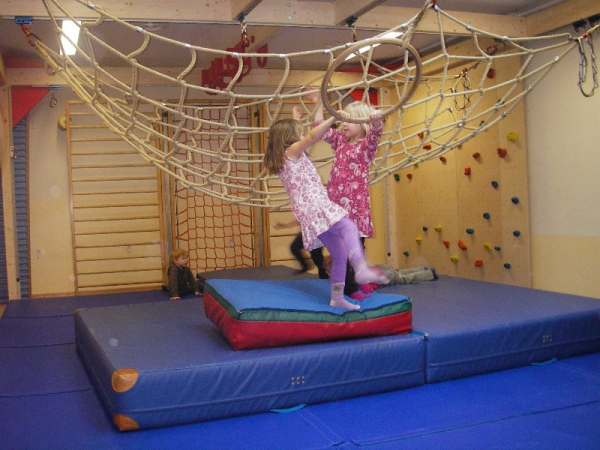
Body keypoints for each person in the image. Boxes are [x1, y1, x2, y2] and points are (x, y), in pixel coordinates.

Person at [263, 112, 388, 311]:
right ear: (289, 137)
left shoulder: (288, 157)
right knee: (349, 228)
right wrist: (334, 118)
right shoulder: (291, 152)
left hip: (309, 211)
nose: (301, 133)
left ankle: (337, 297)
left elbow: (308, 136)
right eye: (297, 130)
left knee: (339, 254)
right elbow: (311, 137)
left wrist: (297, 119)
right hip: (316, 205)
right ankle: (361, 269)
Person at [307, 89, 384, 299]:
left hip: (356, 209)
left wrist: (376, 121)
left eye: (350, 121)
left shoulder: (365, 148)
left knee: (357, 247)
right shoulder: (340, 141)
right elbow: (319, 127)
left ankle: (357, 283)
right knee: (338, 249)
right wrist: (318, 102)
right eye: (344, 120)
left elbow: (376, 134)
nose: (344, 123)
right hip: (337, 208)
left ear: (363, 125)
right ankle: (349, 287)